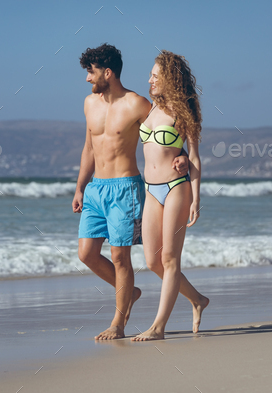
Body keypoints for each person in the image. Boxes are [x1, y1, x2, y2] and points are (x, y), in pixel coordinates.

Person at [72, 44, 189, 340]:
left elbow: (167, 128)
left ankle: (118, 323)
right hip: (96, 189)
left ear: (107, 72)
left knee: (121, 258)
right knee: (86, 254)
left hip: (125, 188)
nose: (88, 78)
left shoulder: (137, 104)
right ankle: (130, 292)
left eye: (91, 72)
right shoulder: (89, 104)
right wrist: (80, 187)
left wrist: (183, 154)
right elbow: (88, 147)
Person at [132, 50, 209, 341]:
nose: (149, 80)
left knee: (169, 259)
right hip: (151, 190)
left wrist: (196, 198)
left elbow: (196, 158)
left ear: (170, 79)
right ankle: (198, 299)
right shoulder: (150, 108)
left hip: (177, 188)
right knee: (152, 261)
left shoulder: (183, 112)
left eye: (155, 76)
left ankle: (158, 327)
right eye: (150, 75)